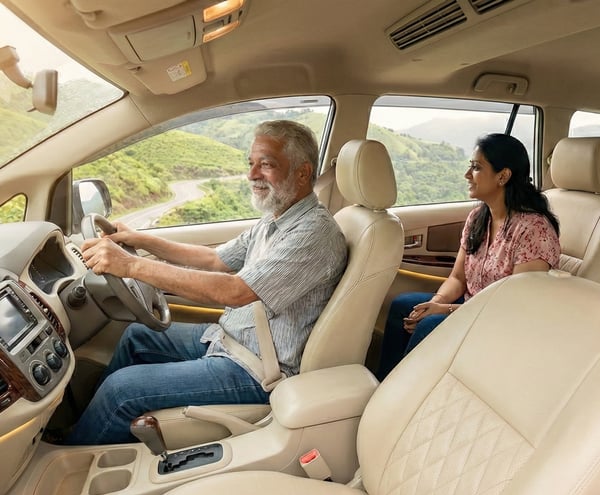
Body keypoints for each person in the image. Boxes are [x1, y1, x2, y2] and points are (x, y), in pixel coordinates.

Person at [64, 120, 348, 445]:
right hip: (230, 339)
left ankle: (73, 453)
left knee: (121, 390)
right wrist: (141, 240)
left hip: (258, 368)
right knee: (136, 337)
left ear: (302, 172)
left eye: (266, 164)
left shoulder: (315, 233)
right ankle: (95, 428)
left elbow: (235, 291)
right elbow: (215, 259)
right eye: (251, 163)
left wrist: (130, 265)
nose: (251, 174)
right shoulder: (276, 220)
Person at [376, 133, 561, 381]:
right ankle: (385, 383)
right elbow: (458, 278)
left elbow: (515, 305)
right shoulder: (477, 218)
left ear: (503, 176)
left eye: (476, 167)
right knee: (404, 306)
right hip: (470, 307)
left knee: (430, 326)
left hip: (502, 320)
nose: (467, 175)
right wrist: (435, 302)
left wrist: (445, 311)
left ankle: (406, 392)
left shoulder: (533, 230)